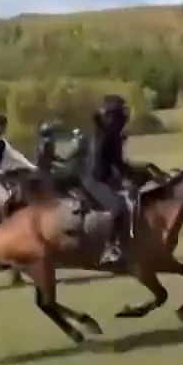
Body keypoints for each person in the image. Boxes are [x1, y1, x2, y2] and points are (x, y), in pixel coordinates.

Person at [81, 95, 135, 265]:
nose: (124, 119)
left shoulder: (112, 135)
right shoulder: (100, 136)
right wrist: (122, 179)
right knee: (118, 207)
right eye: (120, 115)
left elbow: (119, 164)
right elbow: (101, 167)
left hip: (106, 178)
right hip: (94, 181)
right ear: (111, 117)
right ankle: (109, 248)